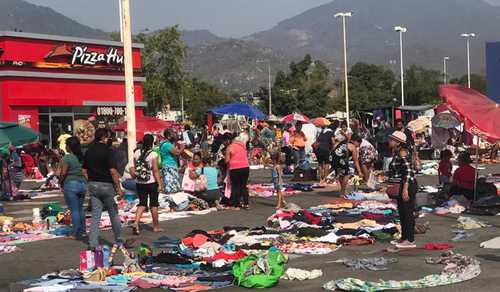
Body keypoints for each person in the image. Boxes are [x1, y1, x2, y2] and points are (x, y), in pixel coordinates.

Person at [83, 128, 124, 249]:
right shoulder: (108, 151)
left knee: (96, 215)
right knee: (113, 213)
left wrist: (90, 180)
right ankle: (119, 241)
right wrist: (118, 189)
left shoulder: (89, 151)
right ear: (103, 138)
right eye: (108, 137)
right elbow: (113, 171)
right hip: (107, 185)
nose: (108, 139)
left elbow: (84, 170)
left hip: (93, 185)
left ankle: (92, 242)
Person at [388, 131, 417, 249]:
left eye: (391, 139)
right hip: (401, 186)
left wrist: (405, 189)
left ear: (398, 142)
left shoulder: (402, 152)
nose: (389, 141)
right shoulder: (396, 153)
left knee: (407, 213)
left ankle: (410, 239)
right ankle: (404, 237)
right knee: (402, 213)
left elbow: (409, 171)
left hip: (407, 186)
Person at [130, 134, 163, 235]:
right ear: (152, 142)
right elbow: (156, 171)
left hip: (140, 182)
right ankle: (156, 226)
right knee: (153, 204)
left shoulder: (136, 153)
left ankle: (136, 222)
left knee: (142, 203)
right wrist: (160, 183)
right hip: (151, 182)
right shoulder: (153, 155)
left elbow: (134, 167)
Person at [59, 136, 87, 240]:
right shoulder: (81, 157)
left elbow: (63, 172)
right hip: (83, 184)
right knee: (80, 209)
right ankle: (83, 231)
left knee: (74, 209)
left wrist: (60, 182)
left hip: (71, 184)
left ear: (69, 147)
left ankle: (74, 233)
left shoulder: (67, 158)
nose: (65, 146)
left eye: (66, 144)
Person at [332, 133, 362, 197]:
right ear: (355, 141)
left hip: (333, 157)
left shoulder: (343, 142)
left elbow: (334, 146)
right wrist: (359, 171)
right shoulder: (353, 146)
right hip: (340, 158)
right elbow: (355, 160)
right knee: (347, 174)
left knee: (340, 174)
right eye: (358, 144)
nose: (358, 146)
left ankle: (343, 191)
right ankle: (342, 193)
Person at [225, 135, 250, 209]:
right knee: (243, 185)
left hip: (235, 168)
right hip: (245, 167)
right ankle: (246, 203)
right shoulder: (243, 146)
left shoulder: (230, 147)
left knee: (235, 186)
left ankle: (236, 203)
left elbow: (227, 160)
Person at [160, 129, 185, 194]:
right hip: (169, 166)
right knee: (171, 185)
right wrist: (182, 147)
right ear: (168, 136)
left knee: (170, 184)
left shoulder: (163, 143)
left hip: (167, 165)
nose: (175, 135)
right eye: (173, 134)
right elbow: (177, 152)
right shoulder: (167, 145)